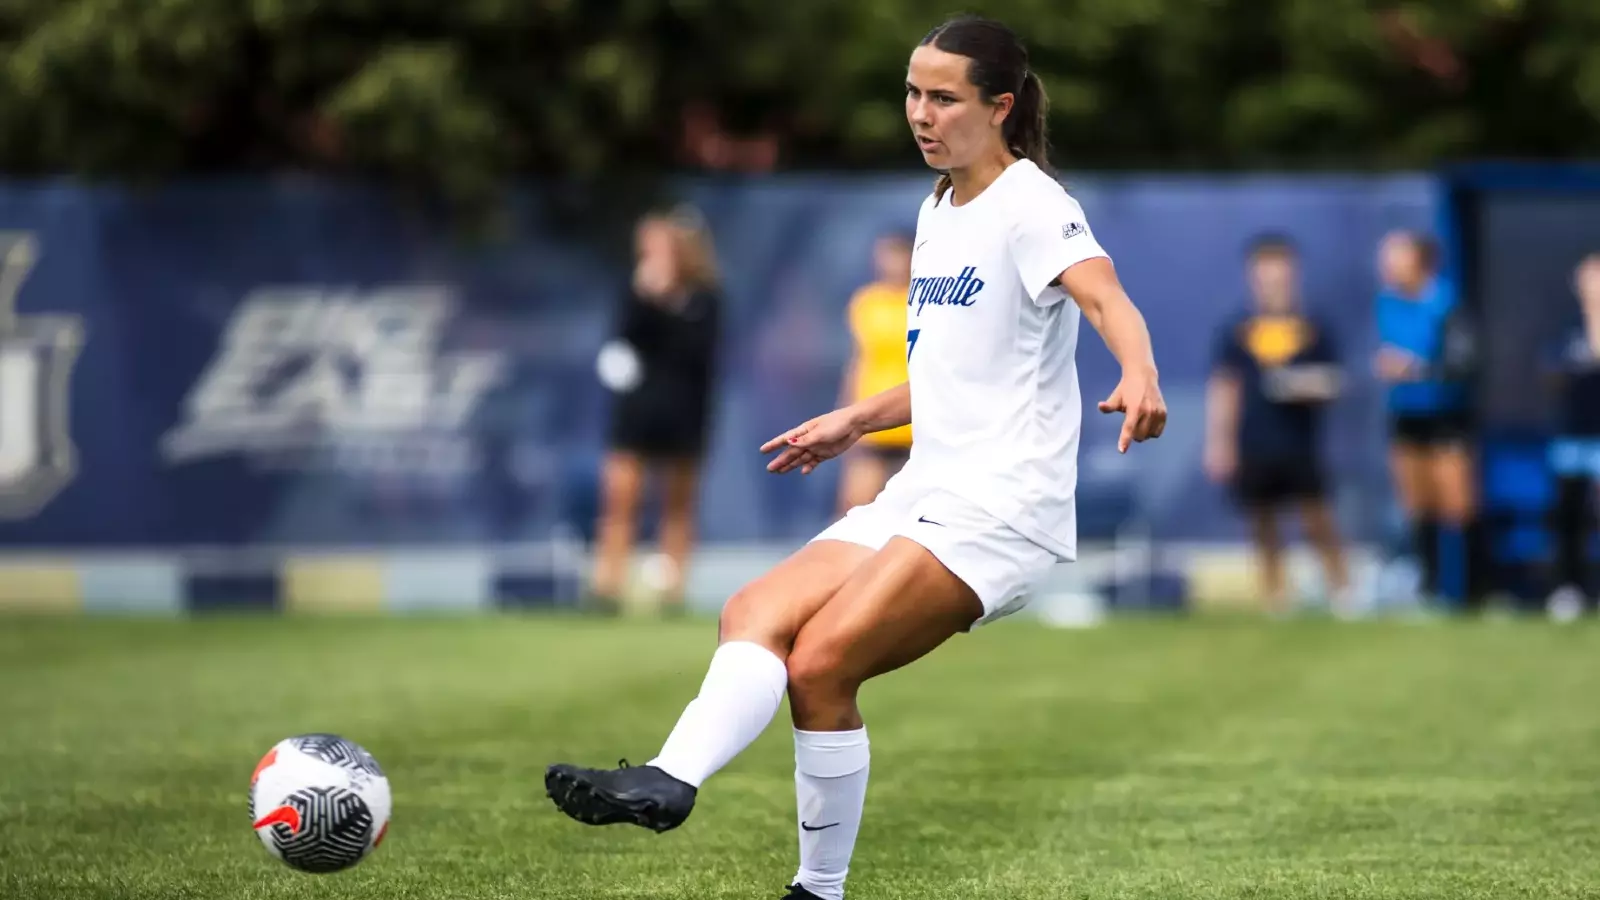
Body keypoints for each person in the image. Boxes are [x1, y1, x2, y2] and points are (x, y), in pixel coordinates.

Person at [546, 15, 1167, 900]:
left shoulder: (1032, 204)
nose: (920, 113)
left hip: (1003, 509)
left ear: (1000, 107)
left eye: (944, 97)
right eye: (912, 93)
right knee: (753, 610)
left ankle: (816, 887)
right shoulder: (937, 209)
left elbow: (1108, 301)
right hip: (926, 489)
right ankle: (670, 777)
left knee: (822, 664)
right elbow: (957, 372)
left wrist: (1139, 371)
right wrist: (856, 421)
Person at [1204, 234, 1351, 616]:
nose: (1271, 279)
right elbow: (1225, 387)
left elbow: (1334, 381)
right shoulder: (1238, 330)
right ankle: (1276, 596)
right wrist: (1220, 442)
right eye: (1264, 270)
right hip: (1254, 440)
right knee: (1262, 519)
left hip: (1300, 440)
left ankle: (1343, 593)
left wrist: (1302, 386)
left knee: (1317, 517)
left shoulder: (1313, 327)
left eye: (1279, 269)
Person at [589, 206, 723, 615]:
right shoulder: (635, 294)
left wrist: (668, 302)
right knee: (619, 502)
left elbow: (697, 353)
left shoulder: (705, 299)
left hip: (684, 413)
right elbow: (625, 341)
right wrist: (648, 298)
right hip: (636, 413)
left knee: (678, 506)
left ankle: (673, 591)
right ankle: (607, 587)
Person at [1374, 229, 1485, 611]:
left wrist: (1416, 369)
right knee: (1417, 505)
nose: (1387, 264)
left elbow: (1464, 362)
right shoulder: (1386, 302)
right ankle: (1429, 589)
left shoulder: (1445, 303)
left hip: (1446, 417)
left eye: (1396, 256)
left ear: (1420, 261)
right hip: (1406, 415)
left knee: (1458, 505)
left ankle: (1475, 593)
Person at [835, 231, 915, 514]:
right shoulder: (866, 302)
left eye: (897, 255)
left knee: (913, 507)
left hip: (915, 419)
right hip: (873, 419)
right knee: (855, 502)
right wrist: (846, 412)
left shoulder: (922, 301)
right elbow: (858, 359)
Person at [1542, 253, 1600, 622]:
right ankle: (1569, 588)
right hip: (1572, 432)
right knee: (1569, 513)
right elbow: (1552, 371)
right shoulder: (1567, 325)